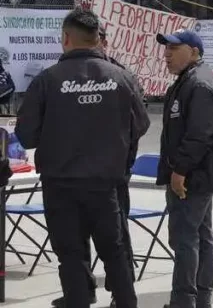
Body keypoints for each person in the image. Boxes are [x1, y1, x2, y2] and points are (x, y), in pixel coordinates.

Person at [16, 9, 149, 308]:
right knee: (114, 249)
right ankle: (126, 302)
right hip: (106, 183)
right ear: (97, 39)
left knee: (70, 252)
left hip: (61, 184)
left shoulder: (47, 80)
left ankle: (78, 300)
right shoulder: (121, 77)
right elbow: (140, 125)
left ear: (65, 38)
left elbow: (26, 136)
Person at [50, 26, 139, 308]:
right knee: (86, 244)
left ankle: (119, 297)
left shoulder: (118, 74)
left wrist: (122, 160)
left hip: (106, 176)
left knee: (114, 243)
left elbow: (136, 126)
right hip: (88, 176)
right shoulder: (58, 76)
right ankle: (84, 291)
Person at [157, 29, 213, 308]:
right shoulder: (189, 81)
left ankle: (184, 301)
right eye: (165, 48)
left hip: (195, 175)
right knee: (200, 236)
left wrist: (179, 172)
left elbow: (200, 135)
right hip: (200, 173)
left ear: (194, 52)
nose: (166, 54)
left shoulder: (199, 85)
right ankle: (200, 299)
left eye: (173, 48)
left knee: (185, 238)